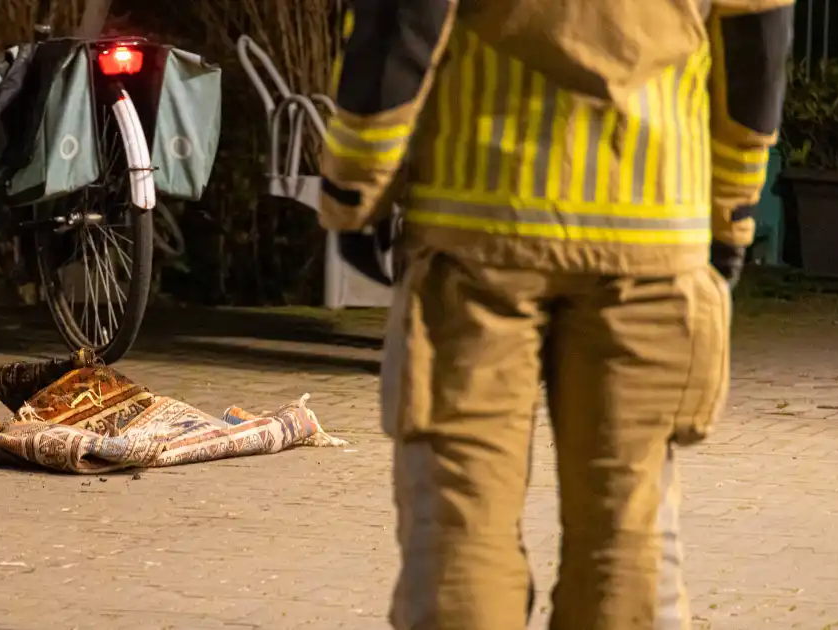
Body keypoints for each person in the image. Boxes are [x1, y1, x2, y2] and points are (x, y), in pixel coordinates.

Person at [319, 0, 794, 628]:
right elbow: (756, 43)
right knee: (628, 531)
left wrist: (356, 185)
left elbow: (400, 24)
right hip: (652, 229)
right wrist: (732, 208)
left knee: (463, 529)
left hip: (480, 224)